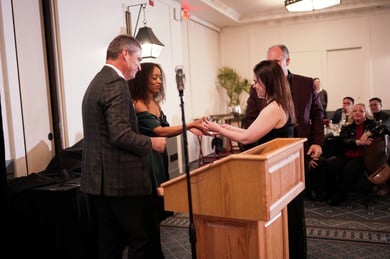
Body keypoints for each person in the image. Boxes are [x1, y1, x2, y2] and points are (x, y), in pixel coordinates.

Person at [81, 35, 167, 259]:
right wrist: (151, 142)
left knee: (109, 244)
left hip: (99, 182)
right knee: (141, 240)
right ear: (124, 54)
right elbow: (120, 134)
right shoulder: (116, 84)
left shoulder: (97, 81)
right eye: (138, 59)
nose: (139, 67)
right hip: (121, 182)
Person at [243, 44, 324, 259]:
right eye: (269, 62)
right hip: (271, 158)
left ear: (287, 61)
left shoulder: (306, 84)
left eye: (276, 62)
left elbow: (317, 115)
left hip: (300, 152)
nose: (272, 67)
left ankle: (295, 252)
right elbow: (249, 121)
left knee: (295, 209)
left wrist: (318, 142)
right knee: (274, 210)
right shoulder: (257, 88)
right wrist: (251, 155)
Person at [128, 62, 206, 221]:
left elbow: (166, 128)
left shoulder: (155, 103)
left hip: (159, 155)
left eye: (160, 78)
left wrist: (190, 128)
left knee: (161, 199)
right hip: (147, 158)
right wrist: (190, 124)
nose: (158, 81)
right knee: (152, 201)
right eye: (154, 78)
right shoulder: (138, 104)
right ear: (142, 80)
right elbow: (159, 131)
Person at [204, 60, 296, 146]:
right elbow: (250, 132)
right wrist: (229, 128)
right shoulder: (279, 104)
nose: (254, 86)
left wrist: (219, 129)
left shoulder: (274, 109)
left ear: (267, 83)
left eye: (256, 82)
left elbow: (246, 138)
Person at [326, 103, 378, 206]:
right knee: (330, 164)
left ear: (366, 114)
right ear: (351, 113)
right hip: (347, 154)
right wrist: (358, 142)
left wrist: (367, 133)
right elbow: (342, 141)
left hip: (364, 156)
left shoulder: (371, 124)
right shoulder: (348, 127)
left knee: (349, 168)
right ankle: (331, 192)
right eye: (355, 111)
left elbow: (385, 129)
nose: (357, 113)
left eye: (361, 111)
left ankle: (340, 195)